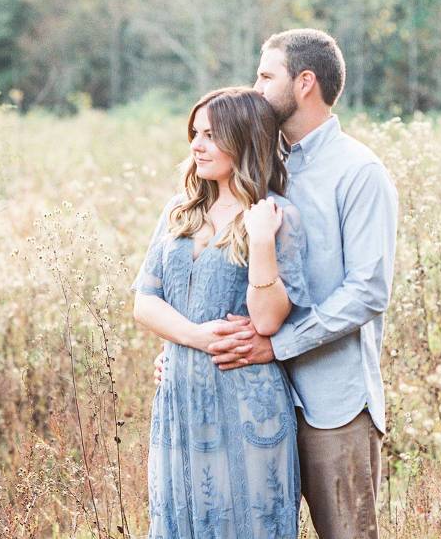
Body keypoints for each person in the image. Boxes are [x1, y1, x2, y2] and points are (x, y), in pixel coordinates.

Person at [156, 30, 399, 539]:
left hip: (331, 402)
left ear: (304, 83)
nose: (256, 86)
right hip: (253, 397)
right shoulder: (263, 162)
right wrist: (191, 348)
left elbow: (369, 290)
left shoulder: (359, 171)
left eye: (266, 76)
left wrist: (277, 345)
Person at [132, 87, 314, 538]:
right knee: (179, 519)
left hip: (246, 400)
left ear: (245, 138)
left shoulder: (275, 215)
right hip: (178, 398)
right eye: (195, 133)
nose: (197, 145)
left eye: (211, 135)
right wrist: (194, 338)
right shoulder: (180, 211)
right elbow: (144, 301)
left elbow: (269, 321)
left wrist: (261, 241)